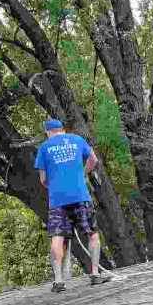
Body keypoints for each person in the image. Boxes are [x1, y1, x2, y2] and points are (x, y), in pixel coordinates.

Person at [34, 119, 113, 292]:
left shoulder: (44, 148)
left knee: (57, 237)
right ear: (62, 129)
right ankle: (94, 274)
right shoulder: (77, 140)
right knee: (91, 234)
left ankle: (58, 281)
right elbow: (93, 160)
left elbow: (43, 179)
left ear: (48, 132)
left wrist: (55, 186)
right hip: (80, 195)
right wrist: (82, 174)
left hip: (57, 200)